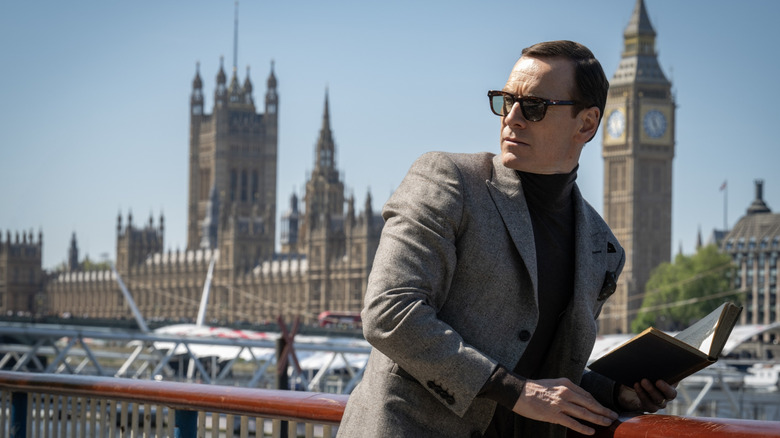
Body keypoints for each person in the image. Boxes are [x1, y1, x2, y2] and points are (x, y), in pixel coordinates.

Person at [337, 40, 677, 438]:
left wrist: (617, 393)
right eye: (505, 101)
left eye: (534, 107)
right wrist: (515, 392)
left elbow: (539, 368)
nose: (512, 118)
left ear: (586, 124)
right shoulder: (449, 182)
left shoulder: (602, 248)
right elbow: (389, 313)